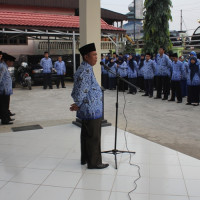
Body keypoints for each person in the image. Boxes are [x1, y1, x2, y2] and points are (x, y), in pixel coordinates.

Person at [70, 43, 109, 169]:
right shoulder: (86, 70)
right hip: (91, 109)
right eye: (94, 55)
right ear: (86, 57)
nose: (96, 57)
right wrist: (78, 104)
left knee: (87, 134)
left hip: (88, 107)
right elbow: (82, 90)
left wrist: (78, 103)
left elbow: (78, 88)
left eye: (97, 54)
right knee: (94, 136)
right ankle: (94, 162)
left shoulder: (84, 68)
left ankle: (86, 159)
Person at [0, 53, 15, 125]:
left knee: (6, 105)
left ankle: (7, 117)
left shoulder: (5, 66)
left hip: (6, 90)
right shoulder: (2, 67)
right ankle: (4, 120)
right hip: (3, 90)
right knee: (3, 106)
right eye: (11, 62)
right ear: (7, 61)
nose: (12, 64)